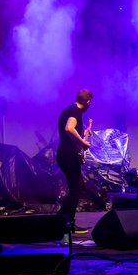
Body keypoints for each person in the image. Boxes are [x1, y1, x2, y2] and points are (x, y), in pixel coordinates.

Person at [56, 89, 93, 233]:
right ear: (88, 102)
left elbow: (72, 131)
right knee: (77, 188)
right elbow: (69, 129)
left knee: (77, 187)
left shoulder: (69, 110)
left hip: (66, 154)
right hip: (68, 155)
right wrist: (83, 143)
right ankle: (65, 221)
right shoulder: (75, 111)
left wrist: (83, 134)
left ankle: (64, 221)